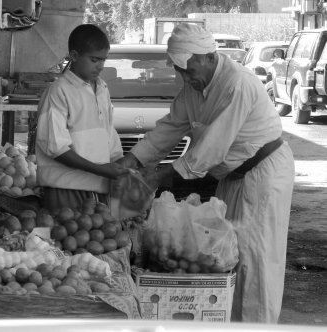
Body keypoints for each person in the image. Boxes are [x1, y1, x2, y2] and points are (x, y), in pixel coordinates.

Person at [119, 23, 295, 323]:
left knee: (257, 261)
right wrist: (134, 160)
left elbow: (211, 149)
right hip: (233, 176)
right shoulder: (192, 88)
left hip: (264, 174)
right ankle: (232, 324)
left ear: (209, 56)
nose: (185, 78)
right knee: (226, 254)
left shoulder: (237, 83)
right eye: (181, 72)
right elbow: (170, 127)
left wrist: (160, 176)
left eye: (188, 70)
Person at [35, 24, 128, 212]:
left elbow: (108, 134)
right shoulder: (59, 91)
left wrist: (121, 165)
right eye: (94, 60)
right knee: (66, 239)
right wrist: (101, 169)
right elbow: (56, 147)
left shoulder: (102, 89)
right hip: (65, 188)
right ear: (75, 56)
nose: (101, 66)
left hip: (98, 189)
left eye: (103, 60)